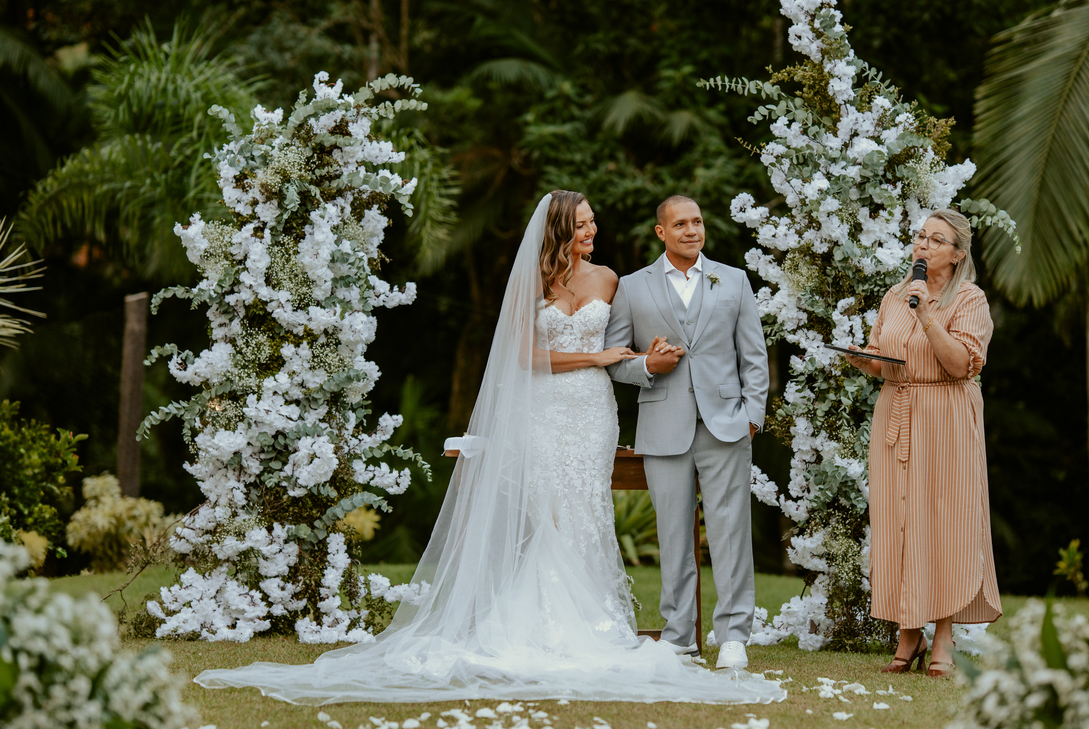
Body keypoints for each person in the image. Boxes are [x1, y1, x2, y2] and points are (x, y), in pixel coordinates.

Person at [193, 191, 786, 704]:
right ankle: (652, 633)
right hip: (587, 416)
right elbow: (572, 357)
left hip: (628, 419)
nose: (592, 229)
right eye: (583, 223)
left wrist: (737, 407)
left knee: (625, 517)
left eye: (594, 222)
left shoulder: (655, 280)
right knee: (600, 523)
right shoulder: (588, 283)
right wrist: (627, 362)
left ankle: (710, 634)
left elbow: (704, 353)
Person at [605, 195, 770, 672]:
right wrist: (647, 366)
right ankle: (679, 637)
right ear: (662, 232)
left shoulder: (734, 280)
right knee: (673, 535)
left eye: (697, 221)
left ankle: (734, 635)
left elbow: (753, 356)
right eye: (680, 224)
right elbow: (615, 360)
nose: (691, 230)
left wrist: (751, 417)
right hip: (663, 423)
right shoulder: (633, 288)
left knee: (730, 532)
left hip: (726, 425)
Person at [844, 208, 1003, 679]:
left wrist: (928, 314)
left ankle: (944, 639)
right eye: (920, 237)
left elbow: (959, 364)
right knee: (899, 518)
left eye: (936, 241)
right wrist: (864, 359)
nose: (923, 246)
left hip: (947, 417)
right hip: (897, 413)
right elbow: (886, 357)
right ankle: (907, 633)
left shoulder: (970, 299)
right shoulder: (895, 296)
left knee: (945, 523)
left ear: (956, 255)